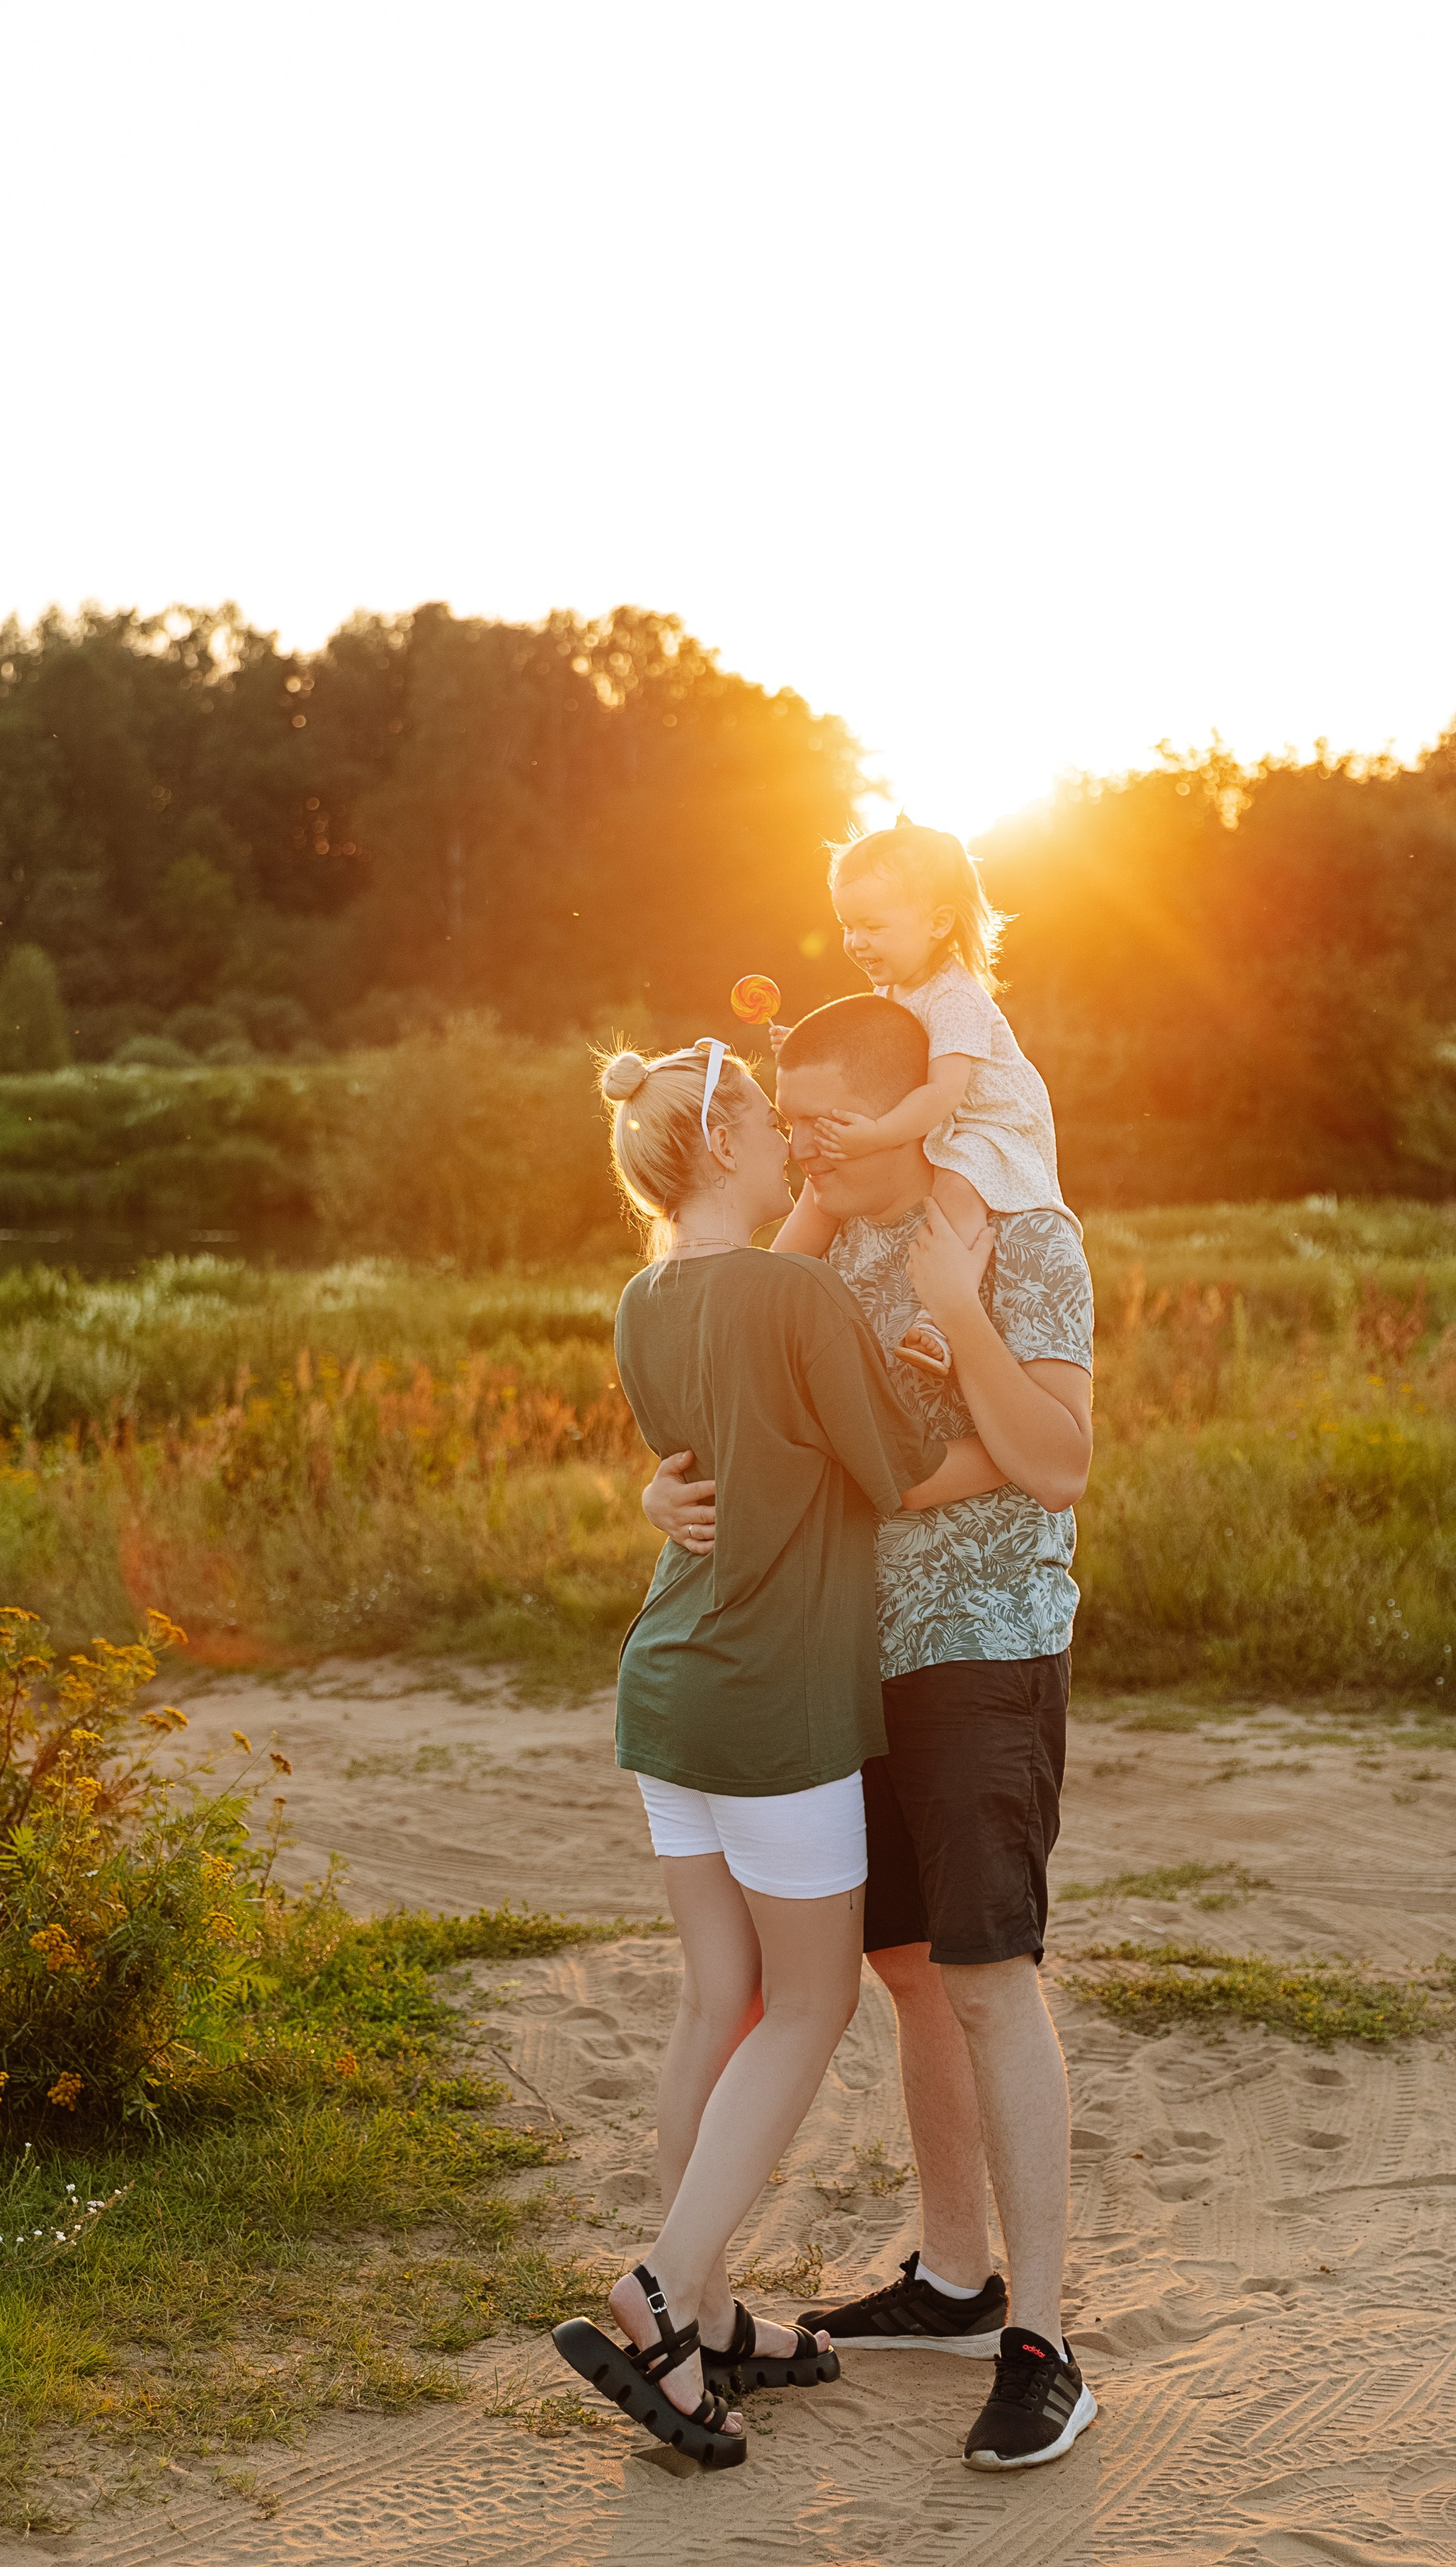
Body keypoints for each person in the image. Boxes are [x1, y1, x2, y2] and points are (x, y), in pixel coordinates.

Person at [644, 991, 1099, 2473]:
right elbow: (721, 1405)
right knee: (903, 1972)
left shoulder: (1022, 1238)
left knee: (988, 1977)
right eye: (790, 1121)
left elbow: (1055, 1460)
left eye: (829, 1118)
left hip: (981, 1648)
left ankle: (1041, 2342)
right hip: (842, 1668)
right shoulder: (814, 1252)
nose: (806, 1144)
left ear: (909, 1106)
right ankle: (956, 2281)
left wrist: (956, 1312)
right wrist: (658, 1490)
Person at [550, 1034, 1003, 2468]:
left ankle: (705, 2313)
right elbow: (893, 1471)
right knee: (806, 2004)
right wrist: (979, 1398)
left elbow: (705, 1463)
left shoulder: (641, 1301)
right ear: (731, 1140)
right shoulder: (799, 1294)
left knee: (718, 2000)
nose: (792, 1145)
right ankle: (664, 2291)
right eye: (770, 1119)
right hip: (772, 1701)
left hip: (668, 1685)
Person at [773, 820, 1074, 1377]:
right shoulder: (893, 984)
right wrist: (806, 1045)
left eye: (872, 926)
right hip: (939, 1113)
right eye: (847, 926)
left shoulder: (956, 997)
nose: (856, 942)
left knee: (956, 1187)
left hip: (989, 1122)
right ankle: (763, 1287)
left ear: (938, 923)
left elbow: (943, 1092)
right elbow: (871, 1050)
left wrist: (876, 1134)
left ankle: (939, 1317)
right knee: (823, 1191)